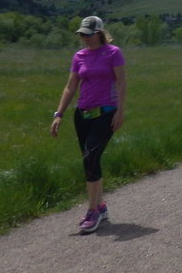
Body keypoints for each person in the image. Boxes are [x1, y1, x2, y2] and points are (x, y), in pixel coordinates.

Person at [50, 16, 127, 234]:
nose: (83, 38)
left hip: (106, 112)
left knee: (91, 157)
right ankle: (101, 207)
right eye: (81, 34)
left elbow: (121, 82)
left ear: (99, 33)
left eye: (87, 34)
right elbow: (70, 86)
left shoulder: (113, 52)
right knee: (90, 160)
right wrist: (59, 114)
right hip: (82, 114)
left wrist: (121, 112)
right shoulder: (79, 56)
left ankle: (92, 210)